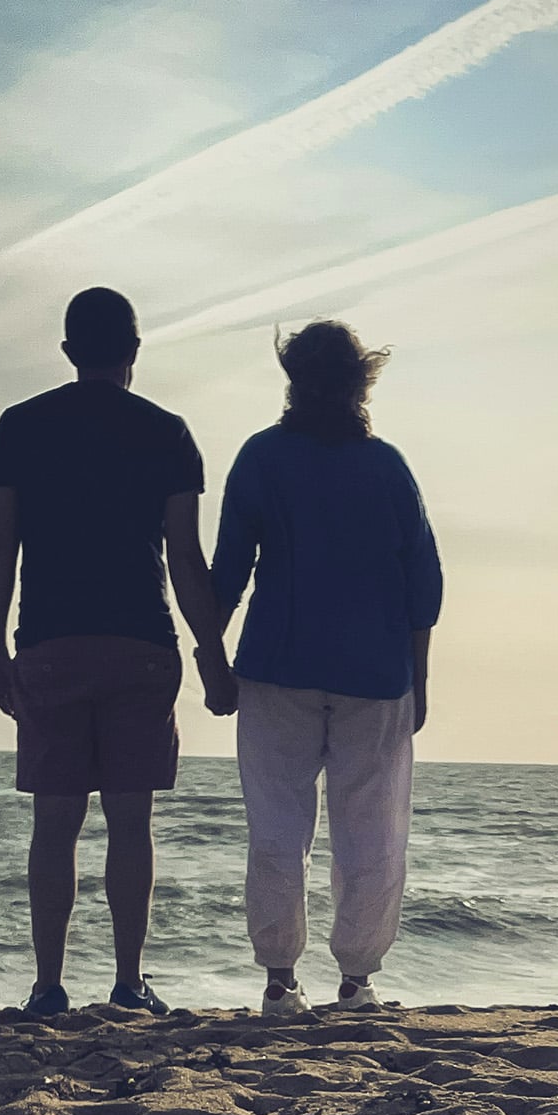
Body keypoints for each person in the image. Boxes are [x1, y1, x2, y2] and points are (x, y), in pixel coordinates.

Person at [0, 286, 237, 1019]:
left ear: (68, 351)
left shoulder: (20, 425)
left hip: (50, 642)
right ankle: (128, 982)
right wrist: (213, 655)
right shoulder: (168, 432)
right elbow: (184, 559)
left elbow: (1, 550)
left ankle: (48, 988)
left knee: (54, 825)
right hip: (140, 645)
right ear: (134, 350)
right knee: (131, 824)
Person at [208, 318, 442, 1019]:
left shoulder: (262, 456)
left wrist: (211, 657)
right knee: (371, 832)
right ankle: (357, 981)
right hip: (376, 672)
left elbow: (229, 570)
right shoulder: (386, 466)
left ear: (293, 380)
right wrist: (420, 678)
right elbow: (423, 582)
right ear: (361, 383)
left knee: (277, 827)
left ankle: (280, 982)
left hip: (277, 665)